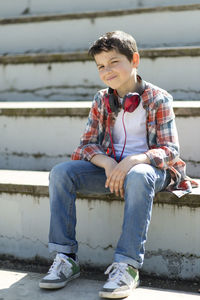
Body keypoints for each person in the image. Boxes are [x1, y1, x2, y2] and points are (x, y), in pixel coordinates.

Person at [39, 31, 198, 298]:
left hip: (150, 171)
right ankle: (65, 257)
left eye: (114, 62)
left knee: (138, 175)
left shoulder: (159, 98)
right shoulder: (102, 99)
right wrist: (109, 162)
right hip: (111, 170)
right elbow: (85, 145)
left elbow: (170, 150)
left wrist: (134, 160)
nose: (107, 70)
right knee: (61, 173)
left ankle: (128, 265)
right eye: (101, 66)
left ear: (134, 59)